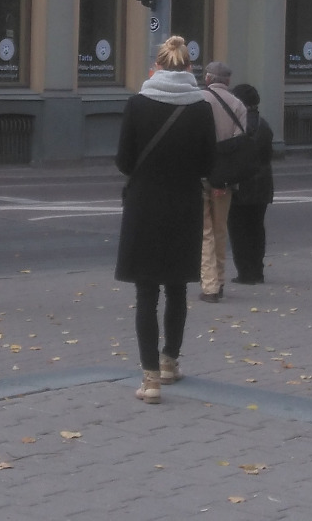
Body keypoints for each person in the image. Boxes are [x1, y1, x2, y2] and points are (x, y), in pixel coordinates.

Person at [115, 36, 216, 403]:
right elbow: (208, 164)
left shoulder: (138, 104)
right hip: (184, 206)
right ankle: (170, 361)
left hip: (144, 207)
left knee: (146, 292)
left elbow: (124, 161)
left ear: (156, 66)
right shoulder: (200, 108)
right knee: (177, 288)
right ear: (188, 67)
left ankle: (150, 379)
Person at [198, 61, 247, 303]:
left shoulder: (198, 99)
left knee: (205, 231)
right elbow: (239, 144)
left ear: (208, 78)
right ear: (227, 81)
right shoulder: (238, 105)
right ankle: (220, 281)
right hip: (224, 178)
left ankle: (209, 286)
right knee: (219, 230)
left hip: (200, 173)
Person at [227, 83, 275, 284]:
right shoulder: (264, 125)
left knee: (238, 230)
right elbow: (268, 156)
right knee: (256, 228)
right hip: (262, 184)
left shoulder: (236, 124)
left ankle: (245, 272)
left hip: (240, 184)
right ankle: (257, 270)